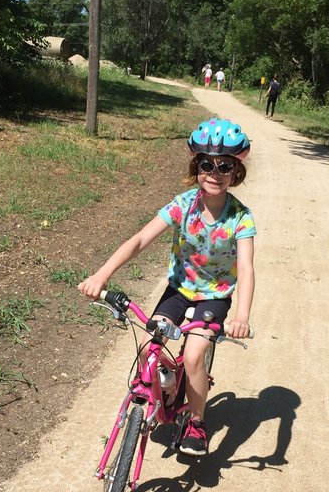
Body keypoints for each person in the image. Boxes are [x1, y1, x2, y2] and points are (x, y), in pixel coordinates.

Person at [78, 118, 256, 457]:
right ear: (196, 167)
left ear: (236, 171)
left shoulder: (240, 217)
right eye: (206, 164)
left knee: (192, 356)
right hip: (179, 289)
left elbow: (246, 269)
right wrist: (102, 275)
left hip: (214, 296)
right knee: (148, 346)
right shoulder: (183, 204)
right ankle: (170, 388)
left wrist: (242, 315)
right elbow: (141, 239)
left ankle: (197, 422)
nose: (214, 172)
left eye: (224, 165)